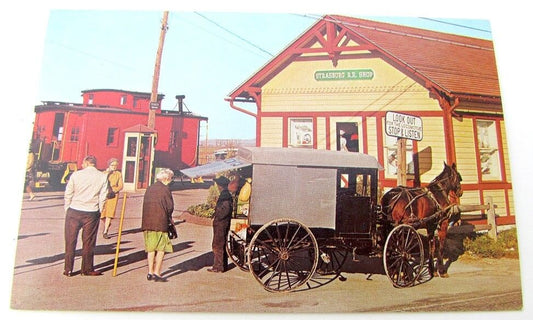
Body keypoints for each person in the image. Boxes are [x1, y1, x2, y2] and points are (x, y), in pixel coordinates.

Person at [63, 155, 108, 277]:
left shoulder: (76, 175)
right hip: (91, 212)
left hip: (74, 210)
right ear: (94, 164)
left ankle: (68, 269)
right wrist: (99, 209)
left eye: (83, 164)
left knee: (70, 240)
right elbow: (103, 197)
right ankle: (86, 269)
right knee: (89, 242)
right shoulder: (102, 177)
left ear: (86, 163)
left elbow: (68, 193)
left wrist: (67, 208)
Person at [141, 168, 175, 282]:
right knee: (161, 248)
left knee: (151, 248)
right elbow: (170, 207)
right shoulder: (165, 189)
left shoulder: (149, 188)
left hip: (147, 223)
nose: (170, 181)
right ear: (166, 178)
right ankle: (157, 272)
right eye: (170, 179)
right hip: (160, 222)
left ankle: (150, 272)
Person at [207, 175, 233, 273]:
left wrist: (217, 215)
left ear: (220, 186)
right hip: (222, 223)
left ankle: (218, 266)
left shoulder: (225, 195)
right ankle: (222, 265)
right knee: (221, 244)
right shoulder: (226, 194)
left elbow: (225, 210)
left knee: (217, 244)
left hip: (221, 223)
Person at [101, 158, 124, 239]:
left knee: (109, 213)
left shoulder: (118, 174)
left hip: (113, 195)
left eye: (115, 165)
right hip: (104, 194)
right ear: (109, 165)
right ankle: (106, 222)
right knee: (102, 213)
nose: (114, 167)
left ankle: (105, 231)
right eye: (112, 165)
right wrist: (107, 173)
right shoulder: (104, 173)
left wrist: (115, 190)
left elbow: (121, 185)